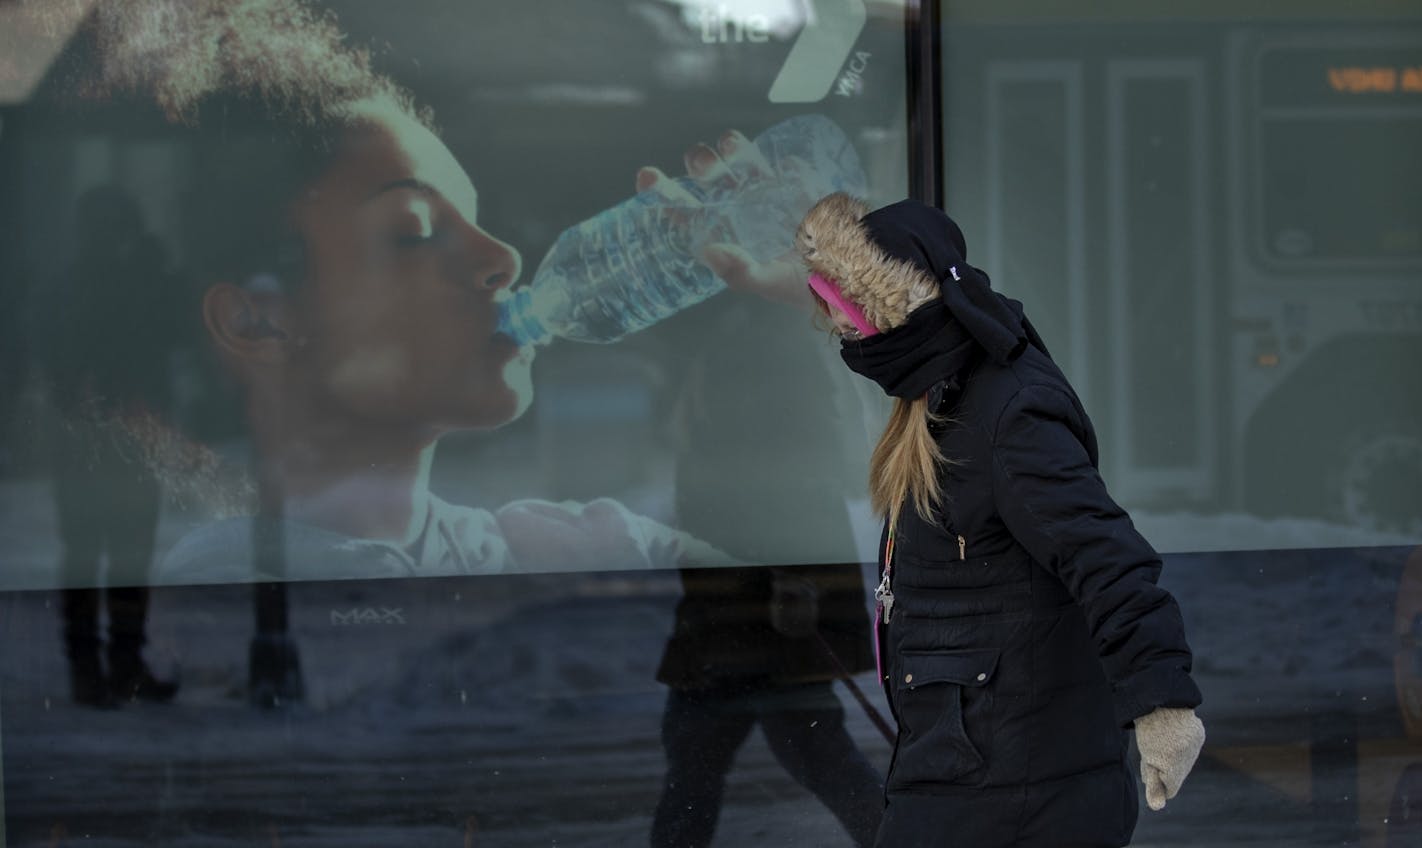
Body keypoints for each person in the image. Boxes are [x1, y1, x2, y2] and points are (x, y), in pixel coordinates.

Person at [56, 0, 780, 583]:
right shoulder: (224, 594)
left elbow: (819, 638)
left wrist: (799, 304)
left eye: (478, 221)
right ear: (258, 321)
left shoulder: (553, 547)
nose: (502, 258)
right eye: (412, 231)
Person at [793, 192, 1206, 847]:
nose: (849, 340)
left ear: (895, 310)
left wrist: (1161, 700)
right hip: (969, 767)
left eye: (853, 321)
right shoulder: (942, 399)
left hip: (1016, 787)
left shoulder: (1005, 415)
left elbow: (1102, 551)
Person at [651, 295, 883, 847]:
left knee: (707, 767)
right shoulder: (762, 419)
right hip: (742, 633)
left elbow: (735, 535)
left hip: (756, 635)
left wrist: (794, 592)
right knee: (800, 759)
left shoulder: (746, 417)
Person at [34, 184, 183, 707]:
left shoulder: (106, 283)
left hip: (113, 435)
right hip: (103, 435)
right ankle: (107, 664)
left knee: (111, 553)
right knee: (111, 553)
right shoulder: (104, 285)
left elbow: (167, 333)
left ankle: (108, 664)